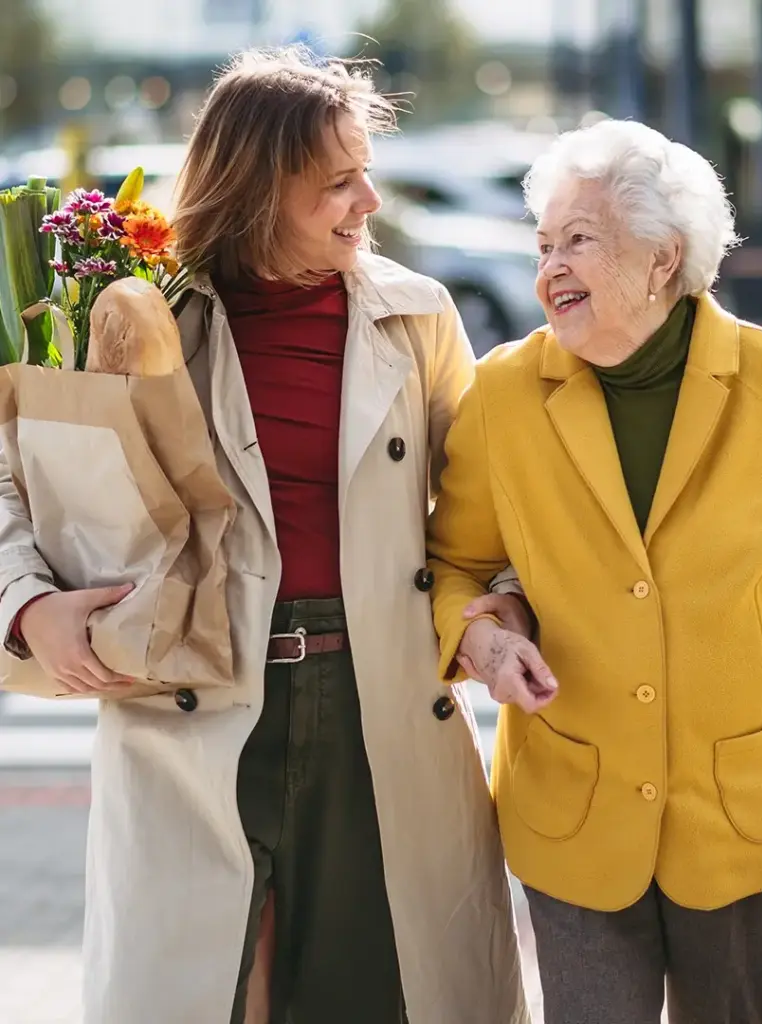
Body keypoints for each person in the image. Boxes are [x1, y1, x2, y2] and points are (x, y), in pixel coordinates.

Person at [0, 48, 533, 1024]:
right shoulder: (127, 315)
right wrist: (29, 609)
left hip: (384, 713)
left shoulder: (419, 318)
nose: (369, 198)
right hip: (190, 715)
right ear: (259, 186)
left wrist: (495, 615)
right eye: (338, 180)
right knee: (211, 995)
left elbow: (485, 517)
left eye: (365, 170)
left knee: (386, 995)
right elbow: (13, 487)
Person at [426, 119, 762, 1024]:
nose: (549, 269)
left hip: (753, 825)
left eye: (579, 241)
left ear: (663, 259)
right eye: (543, 246)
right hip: (575, 819)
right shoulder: (502, 394)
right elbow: (452, 566)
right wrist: (484, 640)